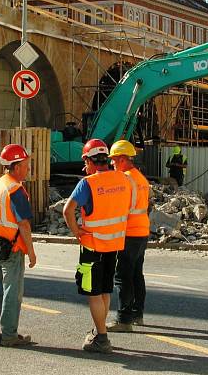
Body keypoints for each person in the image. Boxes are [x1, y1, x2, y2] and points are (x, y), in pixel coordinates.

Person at [63, 138, 132, 354]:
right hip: (114, 244)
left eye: (85, 162)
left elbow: (67, 210)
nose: (85, 168)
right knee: (105, 290)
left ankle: (101, 338)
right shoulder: (124, 180)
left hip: (92, 246)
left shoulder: (88, 183)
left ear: (91, 162)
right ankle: (99, 329)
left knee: (93, 293)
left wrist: (76, 232)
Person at [0, 143, 37, 347]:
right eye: (25, 164)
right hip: (12, 249)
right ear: (15, 166)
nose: (28, 168)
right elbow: (23, 224)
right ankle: (9, 335)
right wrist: (31, 251)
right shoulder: (15, 189)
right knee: (12, 293)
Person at [107, 140, 150, 332]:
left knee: (123, 276)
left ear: (124, 159)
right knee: (136, 274)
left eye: (114, 160)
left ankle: (124, 320)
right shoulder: (140, 178)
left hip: (130, 232)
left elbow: (120, 208)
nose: (112, 164)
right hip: (142, 232)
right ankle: (137, 314)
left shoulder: (125, 179)